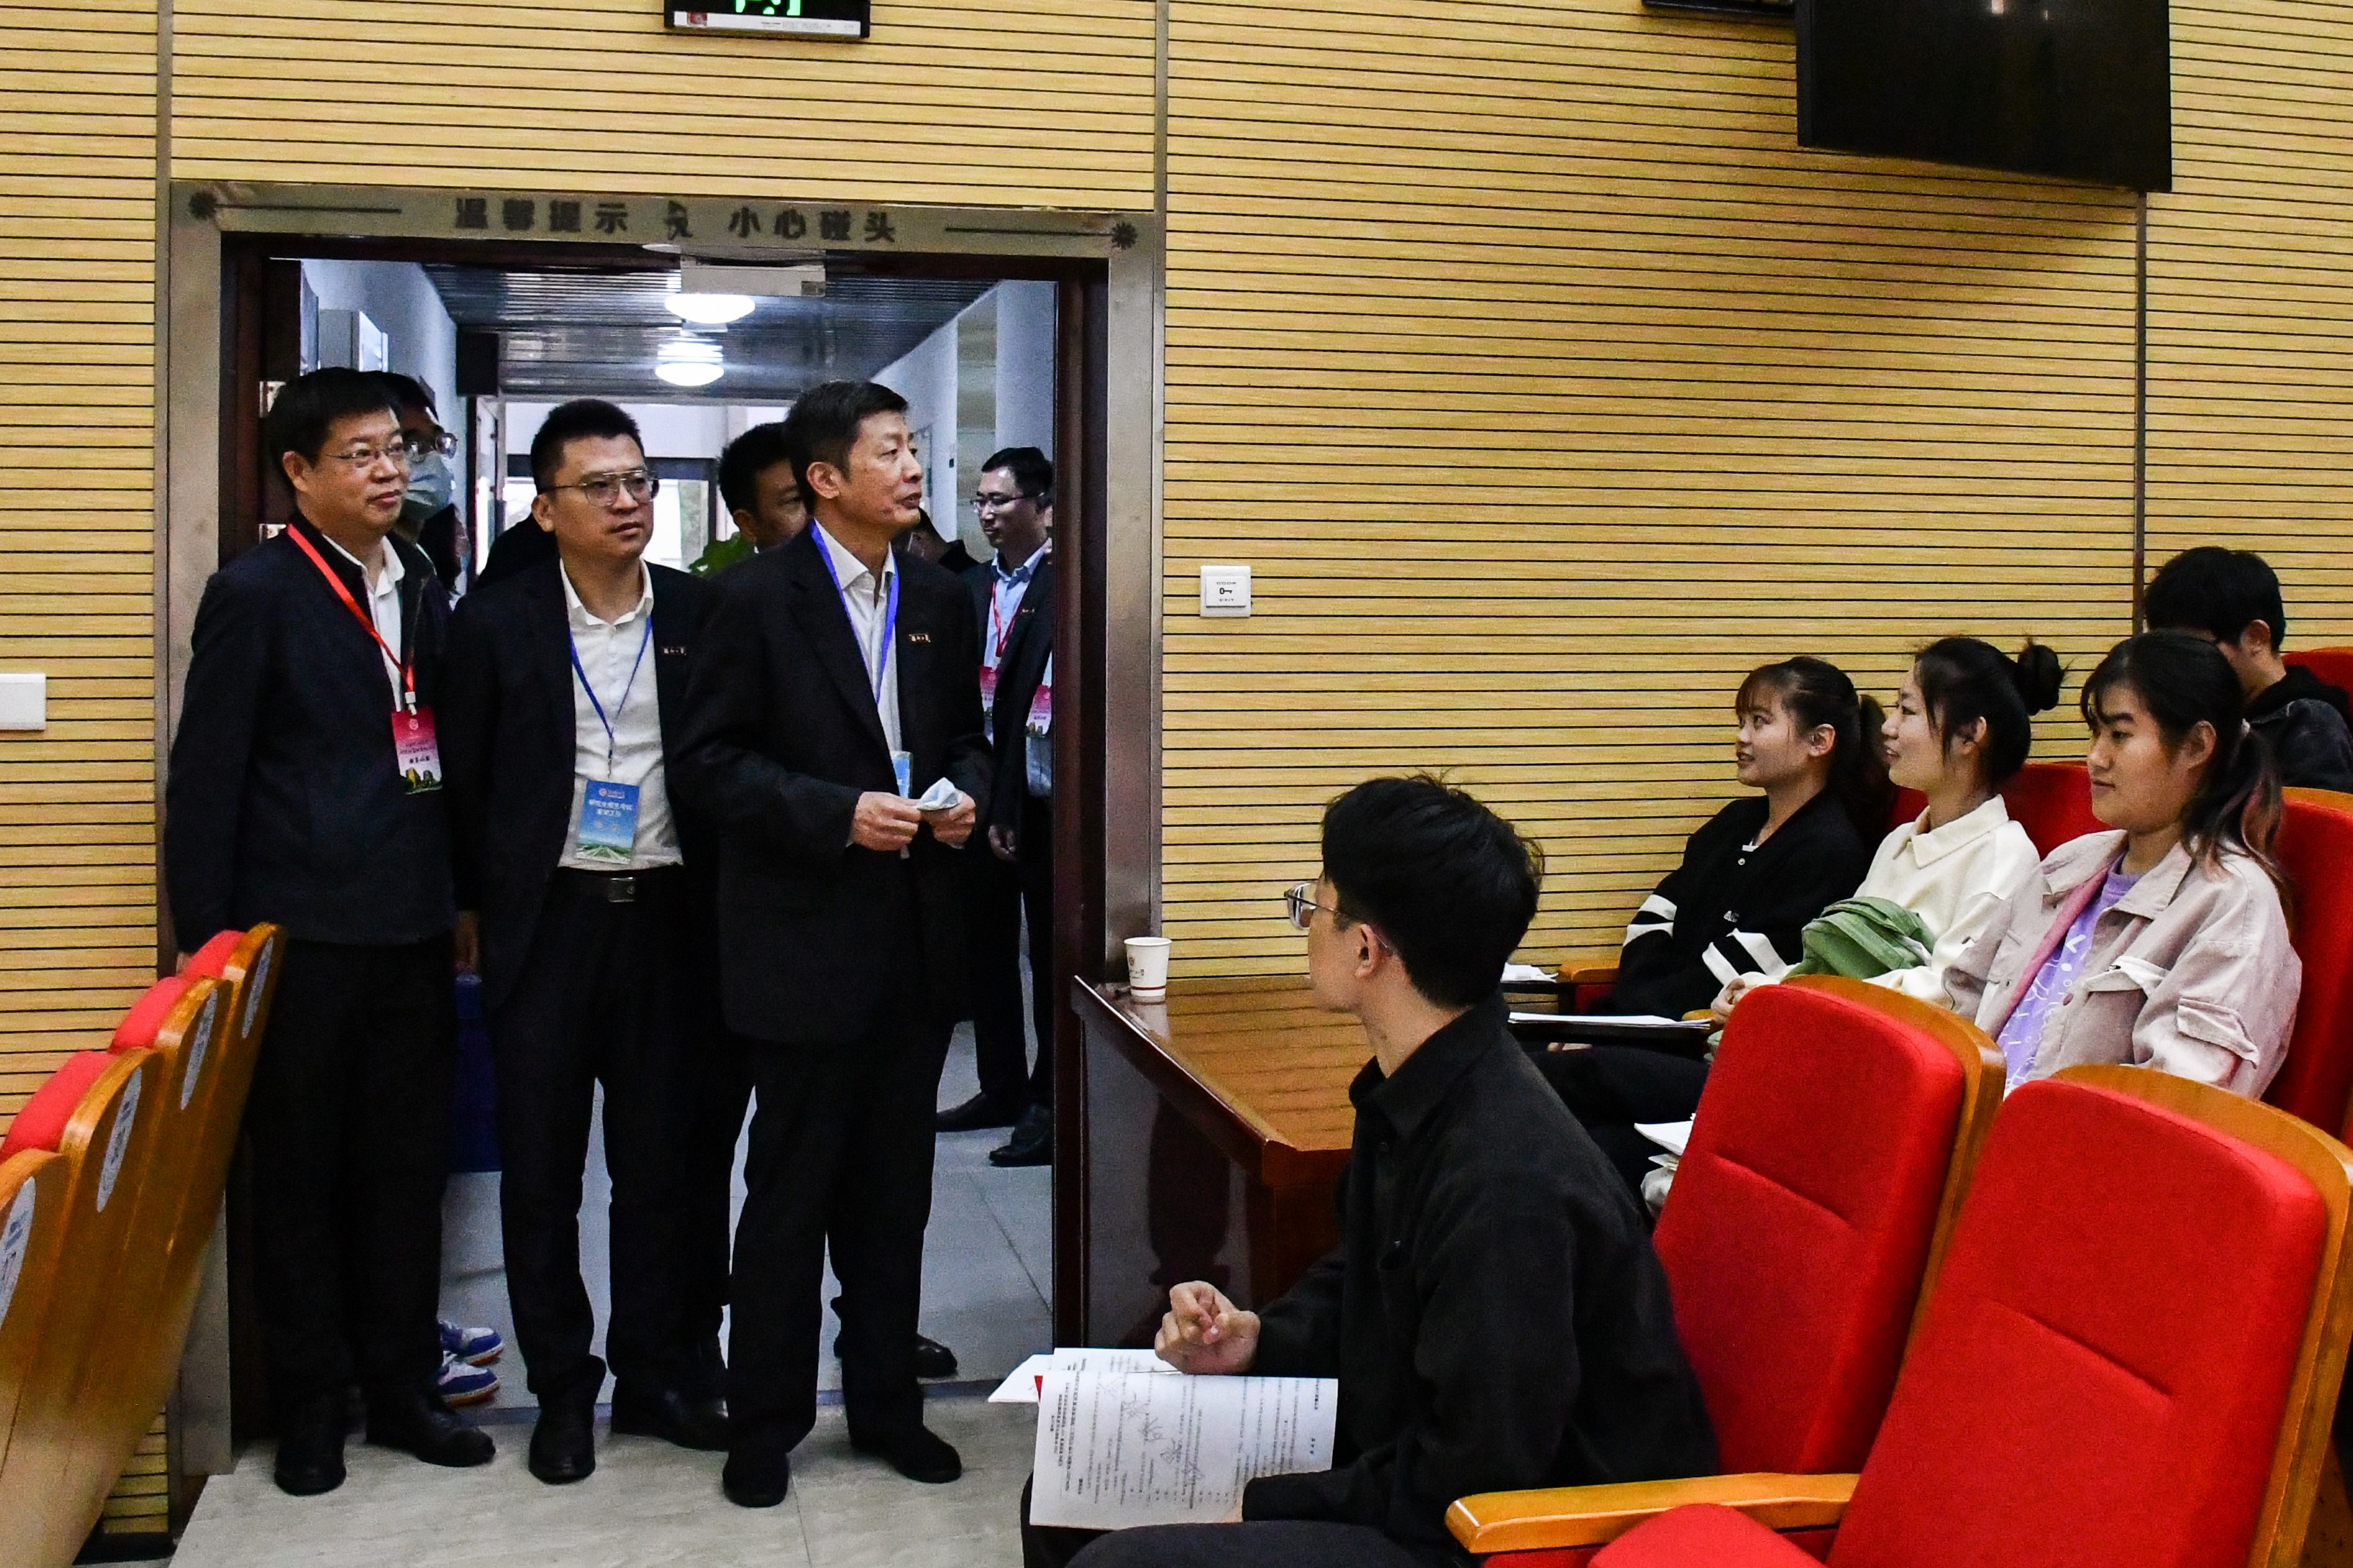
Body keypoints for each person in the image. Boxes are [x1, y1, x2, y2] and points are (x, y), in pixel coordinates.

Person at [1021, 777, 1716, 1568]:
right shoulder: (1422, 1086)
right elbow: (1364, 1276)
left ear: (1365, 950)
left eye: (1313, 907)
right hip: (1423, 1460)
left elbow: (1479, 1468)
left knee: (1122, 1562)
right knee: (1064, 1490)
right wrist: (1256, 1340)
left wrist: (1259, 1503)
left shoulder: (1506, 1181)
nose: (1305, 927)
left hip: (1523, 1531)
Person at [164, 368, 493, 1496]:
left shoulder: (424, 578)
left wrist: (461, 898)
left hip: (410, 926)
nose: (389, 470)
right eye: (360, 453)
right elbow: (207, 775)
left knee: (406, 1172)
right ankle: (309, 1407)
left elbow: (442, 753)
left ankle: (401, 1389)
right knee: (301, 1179)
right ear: (298, 472)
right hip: (297, 934)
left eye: (397, 449)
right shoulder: (256, 592)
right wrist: (208, 941)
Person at [672, 380, 991, 1508]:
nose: (912, 469)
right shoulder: (753, 599)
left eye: (912, 449)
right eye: (890, 451)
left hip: (913, 940)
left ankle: (886, 1406)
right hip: (800, 944)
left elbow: (966, 735)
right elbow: (708, 765)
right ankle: (764, 1422)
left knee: (894, 1196)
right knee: (788, 1197)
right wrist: (833, 813)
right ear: (824, 479)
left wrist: (967, 793)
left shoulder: (940, 595)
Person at [440, 399, 726, 1485]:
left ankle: (657, 1374)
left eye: (638, 481)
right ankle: (563, 1387)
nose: (625, 502)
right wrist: (471, 909)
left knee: (663, 1170)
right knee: (541, 1173)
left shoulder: (699, 612)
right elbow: (463, 782)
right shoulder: (494, 623)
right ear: (545, 507)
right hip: (547, 922)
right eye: (598, 486)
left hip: (669, 918)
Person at [1540, 658, 1884, 1190]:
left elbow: (1717, 982)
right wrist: (1604, 1024)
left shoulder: (1830, 851)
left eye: (1760, 722)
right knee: (1513, 1061)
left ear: (1819, 741)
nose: (1741, 737)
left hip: (1715, 1056)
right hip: (1648, 1033)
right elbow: (1652, 921)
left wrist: (1603, 1030)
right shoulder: (1734, 823)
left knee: (1560, 1080)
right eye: (1741, 721)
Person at [1947, 630, 2301, 1095]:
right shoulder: (2069, 863)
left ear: (2197, 747)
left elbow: (2174, 1102)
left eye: (2119, 735)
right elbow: (1964, 997)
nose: (2095, 757)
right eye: (2096, 733)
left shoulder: (2234, 903)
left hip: (2068, 1137)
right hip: (1980, 1121)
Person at [1712, 638, 2058, 1019]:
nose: (1889, 727)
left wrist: (1796, 996)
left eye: (1907, 711)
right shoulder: (1898, 840)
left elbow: (1948, 993)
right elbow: (1839, 958)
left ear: (1971, 735)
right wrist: (1764, 987)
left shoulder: (2004, 856)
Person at [936, 447, 1059, 1167]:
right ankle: (1000, 1085)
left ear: (1043, 507)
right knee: (983, 951)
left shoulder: (1065, 583)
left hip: (1039, 797)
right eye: (979, 500)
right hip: (974, 789)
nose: (985, 514)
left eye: (1000, 500)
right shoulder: (970, 587)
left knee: (1045, 952)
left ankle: (1047, 1098)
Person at [2144, 546, 2353, 791]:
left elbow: (2311, 814)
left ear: (2256, 638)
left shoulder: (2310, 725)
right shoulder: (2209, 714)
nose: (2178, 667)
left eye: (2194, 649)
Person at [380, 372, 468, 592]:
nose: (432, 456)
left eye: (437, 442)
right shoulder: (361, 573)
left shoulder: (423, 570)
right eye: (411, 445)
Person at [693, 420, 808, 577]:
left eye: (825, 493)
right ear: (748, 525)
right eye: (795, 500)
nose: (820, 512)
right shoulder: (733, 591)